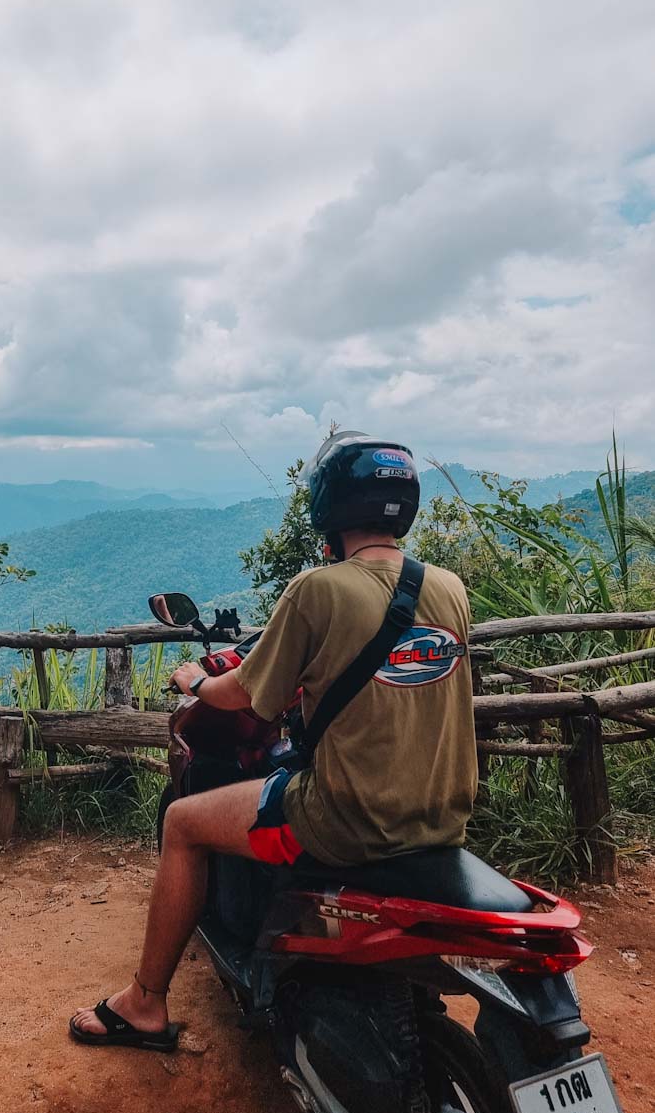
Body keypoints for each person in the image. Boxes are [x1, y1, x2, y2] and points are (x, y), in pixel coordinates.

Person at [70, 431, 478, 1051]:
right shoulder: (447, 588)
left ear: (329, 504)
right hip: (442, 820)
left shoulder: (319, 589)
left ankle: (145, 1003)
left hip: (345, 821)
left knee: (182, 821)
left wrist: (193, 683)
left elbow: (245, 694)